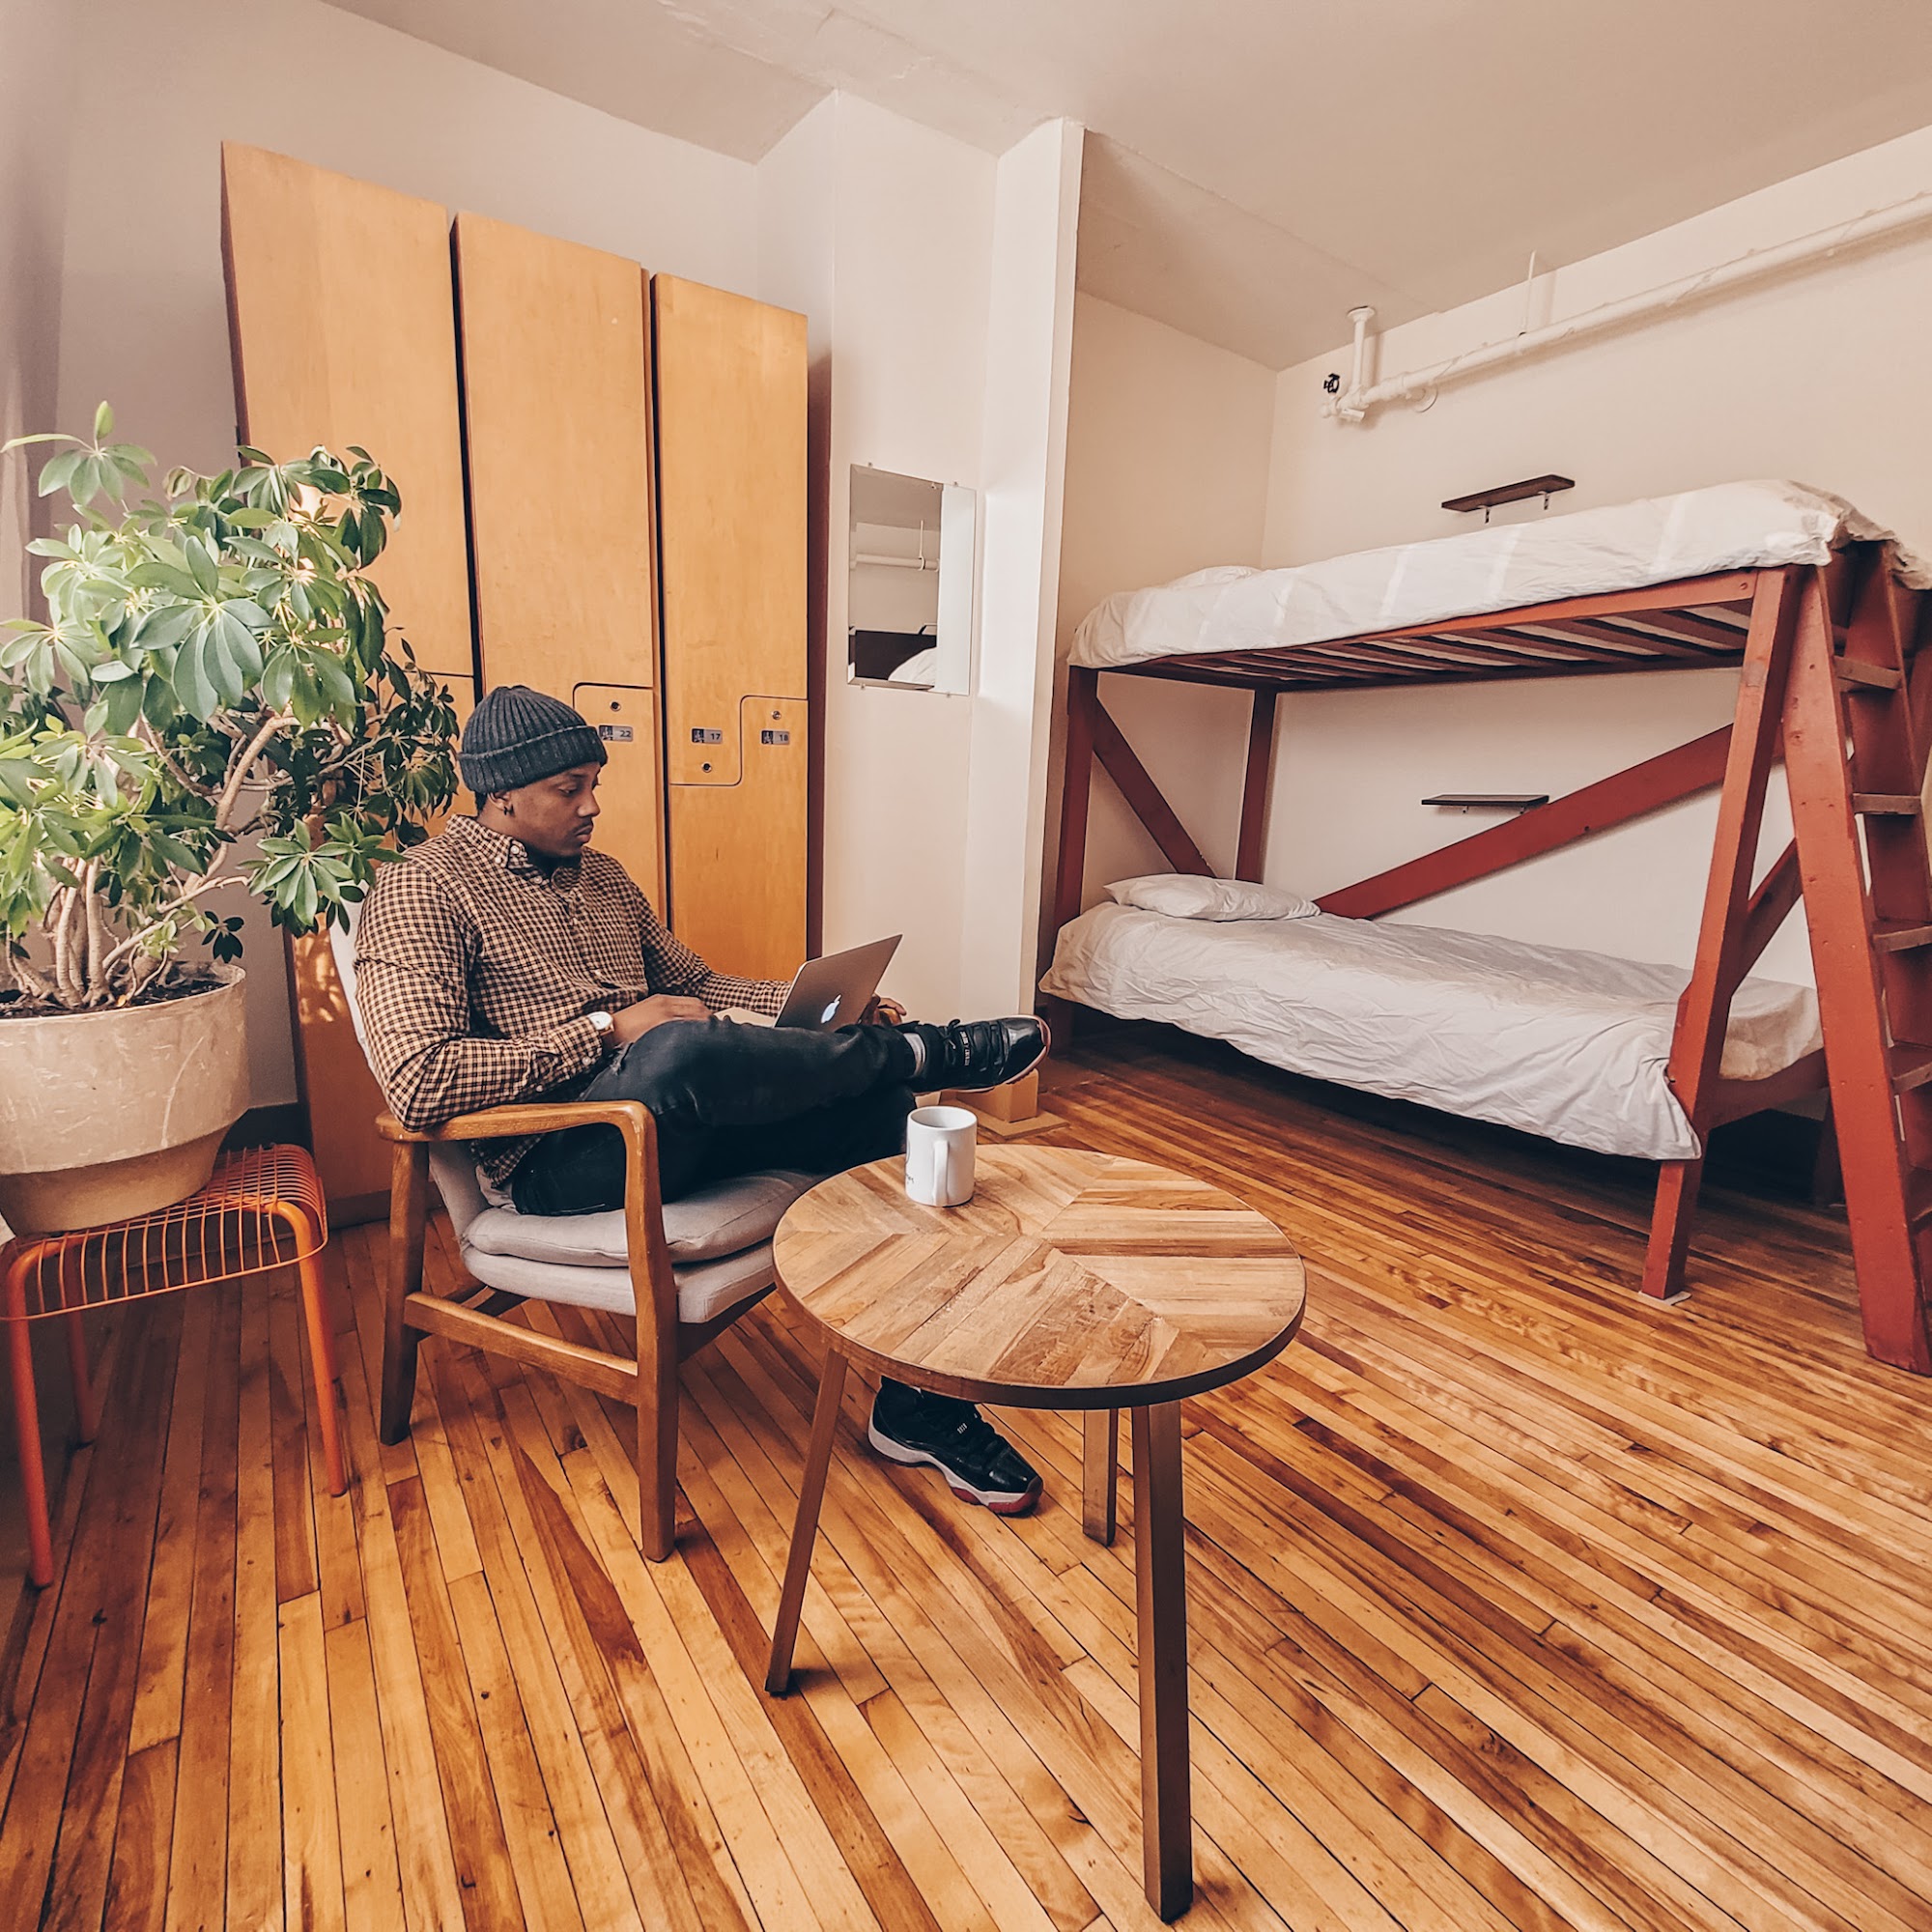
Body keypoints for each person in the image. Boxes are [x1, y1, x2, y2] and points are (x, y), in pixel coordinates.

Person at [355, 685, 1049, 1514]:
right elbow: (420, 1080)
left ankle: (917, 1406)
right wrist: (608, 1030)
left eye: (593, 785)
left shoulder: (604, 880)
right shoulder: (422, 890)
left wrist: (820, 1007)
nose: (592, 807)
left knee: (881, 1112)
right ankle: (931, 1050)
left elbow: (699, 985)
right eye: (570, 789)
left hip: (680, 1124)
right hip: (560, 1156)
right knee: (675, 1047)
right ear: (501, 793)